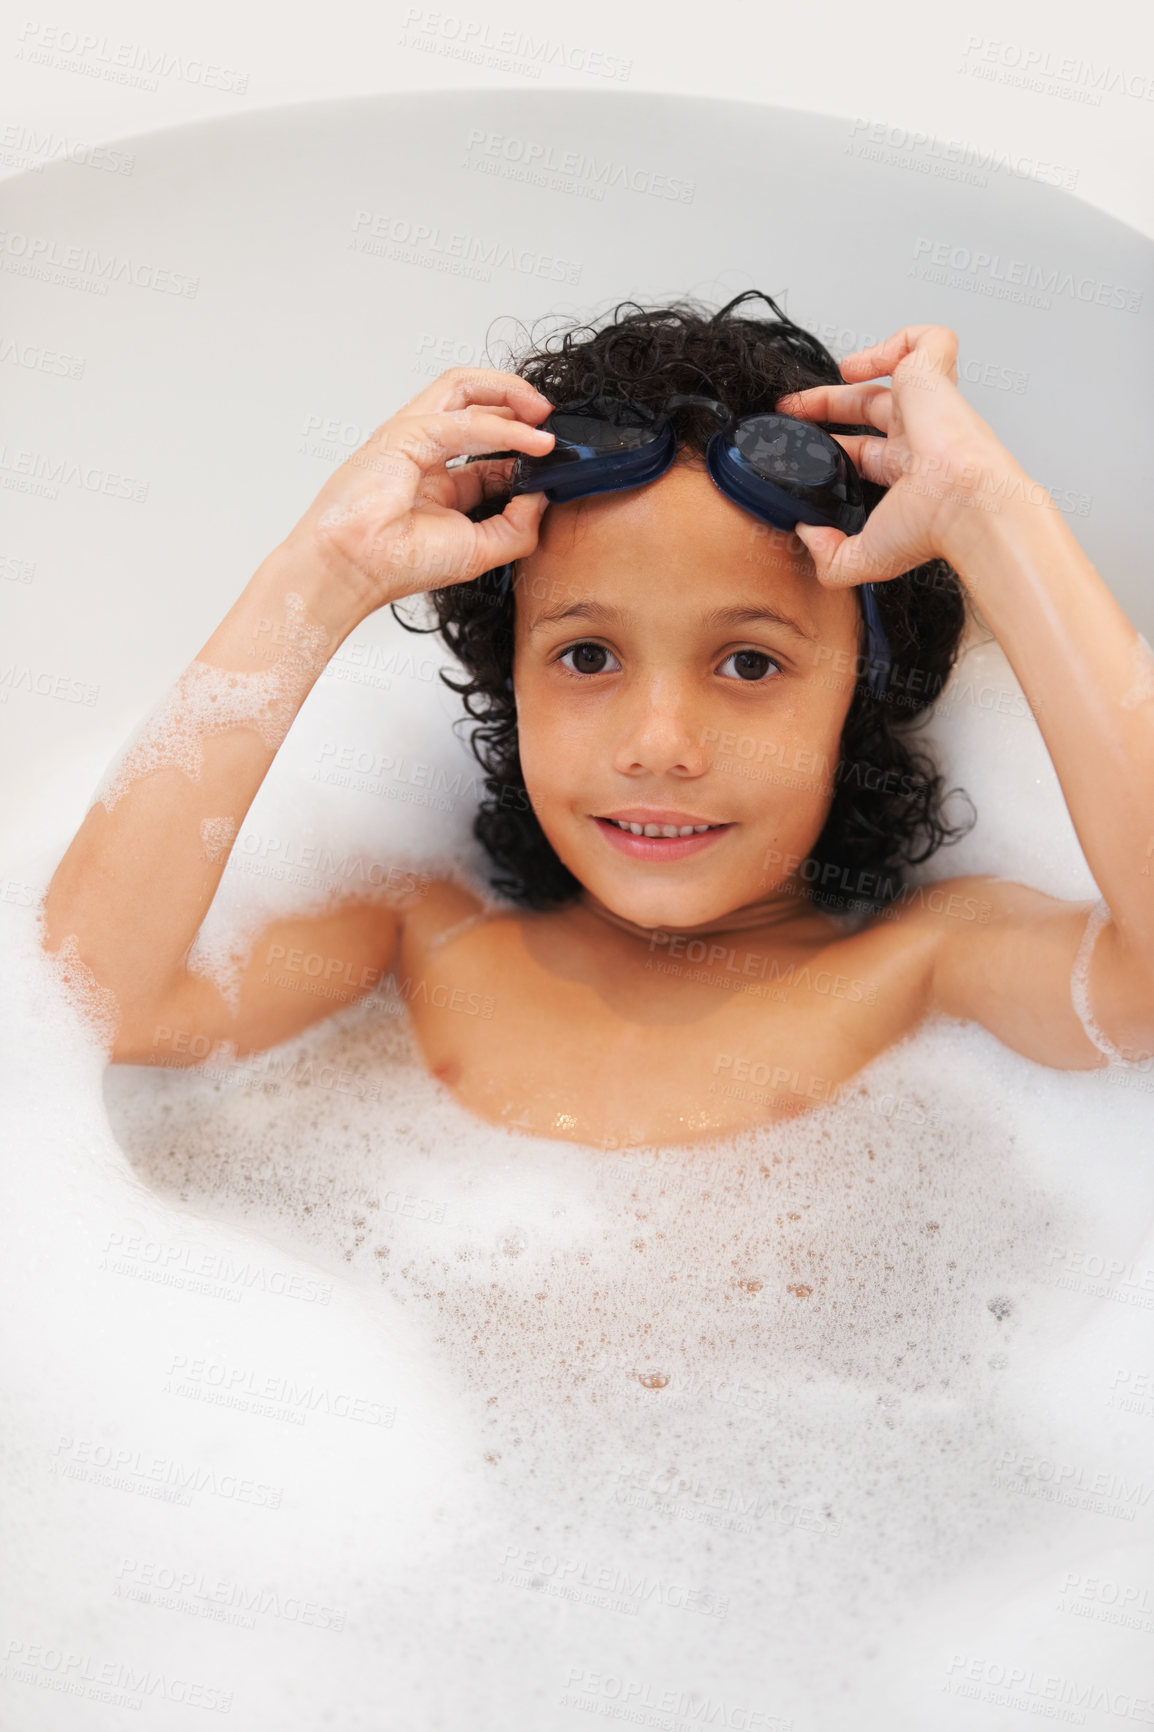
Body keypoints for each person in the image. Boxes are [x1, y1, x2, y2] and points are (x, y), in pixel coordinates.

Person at [40, 292, 1154, 1148]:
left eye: (749, 662)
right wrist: (321, 572)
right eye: (585, 655)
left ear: (858, 695)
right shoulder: (419, 943)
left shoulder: (923, 965)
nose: (656, 742)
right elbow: (96, 1004)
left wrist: (988, 519)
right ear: (507, 679)